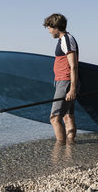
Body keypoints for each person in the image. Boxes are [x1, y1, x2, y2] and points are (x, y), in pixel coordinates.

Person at [43, 13, 80, 142]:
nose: (49, 31)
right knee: (67, 117)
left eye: (49, 28)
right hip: (64, 82)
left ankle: (60, 149)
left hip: (66, 82)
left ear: (55, 27)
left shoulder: (66, 39)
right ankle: (70, 149)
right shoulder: (65, 39)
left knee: (54, 118)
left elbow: (73, 66)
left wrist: (72, 89)